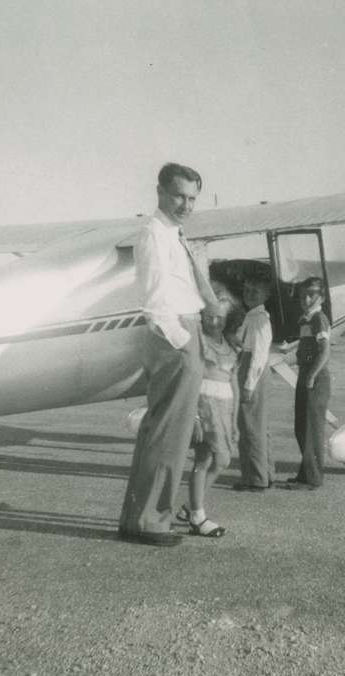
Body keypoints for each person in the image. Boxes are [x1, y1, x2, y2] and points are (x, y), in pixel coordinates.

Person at [118, 162, 219, 546]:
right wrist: (184, 346)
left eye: (192, 198)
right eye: (178, 195)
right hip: (174, 334)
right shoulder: (154, 236)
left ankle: (140, 517)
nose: (185, 204)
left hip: (184, 329)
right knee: (169, 435)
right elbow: (155, 301)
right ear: (159, 191)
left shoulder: (173, 234)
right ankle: (152, 521)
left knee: (163, 431)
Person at [176, 302, 238, 537]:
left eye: (219, 317)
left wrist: (235, 422)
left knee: (222, 460)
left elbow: (233, 383)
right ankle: (197, 517)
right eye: (209, 316)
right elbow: (191, 377)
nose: (214, 321)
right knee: (206, 459)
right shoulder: (199, 342)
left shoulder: (230, 344)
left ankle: (190, 507)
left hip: (225, 406)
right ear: (202, 317)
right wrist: (194, 416)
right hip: (205, 404)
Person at [286, 276, 331, 490]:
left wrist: (312, 376)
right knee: (301, 427)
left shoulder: (318, 319)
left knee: (311, 428)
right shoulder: (305, 320)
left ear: (320, 296)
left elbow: (325, 352)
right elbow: (302, 350)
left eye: (312, 294)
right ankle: (305, 474)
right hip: (305, 374)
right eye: (303, 294)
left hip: (315, 377)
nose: (306, 298)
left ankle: (313, 479)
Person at [233, 275, 274, 491]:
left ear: (266, 294)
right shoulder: (253, 316)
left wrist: (248, 385)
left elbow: (257, 356)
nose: (249, 294)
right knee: (258, 425)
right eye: (247, 289)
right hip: (252, 368)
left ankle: (255, 479)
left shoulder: (258, 319)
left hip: (253, 371)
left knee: (250, 426)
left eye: (255, 290)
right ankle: (266, 473)